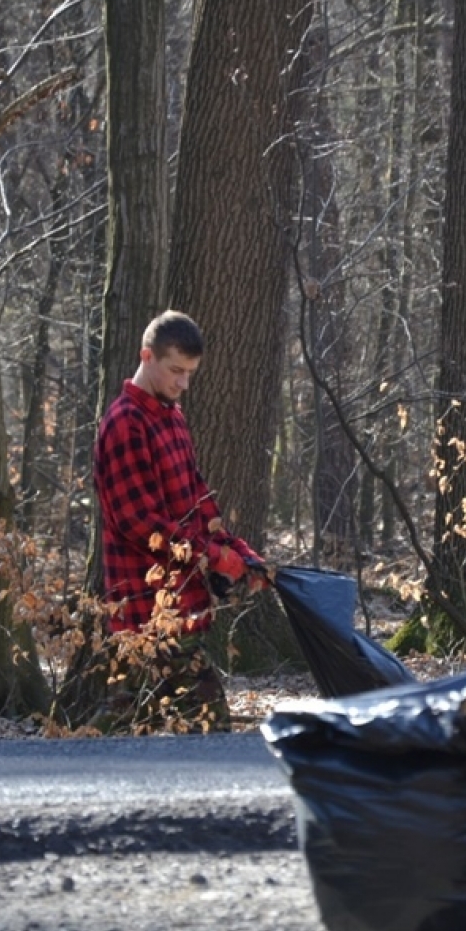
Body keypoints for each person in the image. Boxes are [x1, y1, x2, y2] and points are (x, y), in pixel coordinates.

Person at [92, 309, 270, 730]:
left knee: (128, 727)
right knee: (209, 727)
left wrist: (236, 552)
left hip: (178, 606)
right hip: (145, 609)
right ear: (146, 356)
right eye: (176, 371)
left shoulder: (171, 417)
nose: (183, 383)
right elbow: (140, 523)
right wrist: (211, 558)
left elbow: (196, 500)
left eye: (190, 373)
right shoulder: (125, 424)